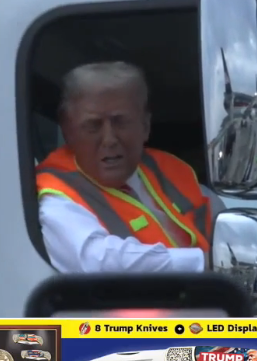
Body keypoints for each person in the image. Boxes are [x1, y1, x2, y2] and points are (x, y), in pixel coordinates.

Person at [36, 61, 217, 274]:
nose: (109, 139)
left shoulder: (170, 169)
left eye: (121, 122)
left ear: (145, 126)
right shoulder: (55, 193)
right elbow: (98, 260)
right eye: (93, 126)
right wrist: (204, 263)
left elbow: (223, 222)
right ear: (69, 132)